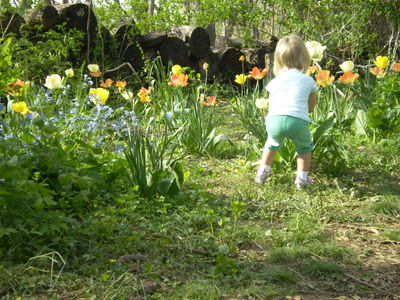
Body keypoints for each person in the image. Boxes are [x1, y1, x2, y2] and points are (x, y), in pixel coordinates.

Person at [254, 34, 318, 188]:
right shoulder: (309, 81)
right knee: (304, 147)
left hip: (274, 119)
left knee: (271, 143)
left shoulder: (275, 81)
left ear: (278, 60)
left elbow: (272, 103)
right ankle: (302, 179)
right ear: (305, 58)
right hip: (296, 121)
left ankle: (263, 172)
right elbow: (310, 107)